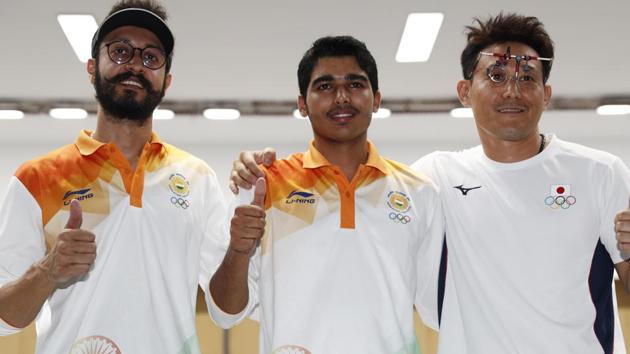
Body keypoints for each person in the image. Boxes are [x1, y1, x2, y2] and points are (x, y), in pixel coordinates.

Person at [230, 14, 630, 354]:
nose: (512, 90)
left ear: (546, 94)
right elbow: (349, 195)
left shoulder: (600, 173)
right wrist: (253, 168)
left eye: (527, 76)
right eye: (496, 74)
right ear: (464, 92)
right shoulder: (433, 179)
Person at [0, 1, 227, 353]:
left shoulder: (198, 179)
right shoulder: (37, 179)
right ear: (92, 68)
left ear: (166, 81)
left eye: (151, 56)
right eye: (120, 51)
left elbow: (227, 308)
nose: (135, 64)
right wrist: (47, 271)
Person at [209, 36, 444, 354]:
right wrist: (238, 249)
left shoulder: (419, 192)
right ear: (302, 104)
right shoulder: (264, 185)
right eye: (324, 86)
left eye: (355, 84)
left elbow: (438, 310)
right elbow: (225, 313)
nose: (342, 97)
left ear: (375, 99)